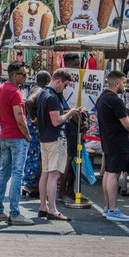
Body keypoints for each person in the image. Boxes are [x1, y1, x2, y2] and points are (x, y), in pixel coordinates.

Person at [0, 61, 33, 225]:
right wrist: (27, 135)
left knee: (4, 173)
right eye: (23, 74)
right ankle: (14, 213)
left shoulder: (0, 89)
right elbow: (20, 118)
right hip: (16, 136)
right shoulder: (14, 92)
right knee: (17, 174)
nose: (25, 77)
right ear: (14, 75)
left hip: (5, 135)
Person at [36, 69, 79, 221]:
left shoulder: (42, 93)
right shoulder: (53, 97)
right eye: (65, 85)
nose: (65, 88)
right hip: (55, 138)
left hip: (45, 138)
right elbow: (56, 120)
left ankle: (43, 207)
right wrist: (70, 113)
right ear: (58, 81)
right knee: (53, 175)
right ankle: (52, 210)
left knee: (46, 173)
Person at [96, 70, 129, 222]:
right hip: (117, 141)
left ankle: (108, 207)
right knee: (113, 174)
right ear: (117, 83)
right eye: (124, 83)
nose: (124, 86)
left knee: (108, 173)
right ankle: (112, 209)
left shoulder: (102, 98)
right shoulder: (115, 101)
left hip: (108, 139)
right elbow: (127, 124)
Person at [59, 52, 84, 204]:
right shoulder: (62, 83)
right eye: (75, 64)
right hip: (67, 127)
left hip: (76, 127)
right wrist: (77, 116)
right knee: (67, 160)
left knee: (75, 159)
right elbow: (66, 108)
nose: (78, 67)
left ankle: (70, 190)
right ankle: (62, 192)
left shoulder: (78, 80)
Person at [23, 71, 51, 197]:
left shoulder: (35, 88)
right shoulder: (39, 90)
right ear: (47, 79)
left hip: (33, 126)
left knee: (34, 154)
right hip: (35, 128)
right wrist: (34, 118)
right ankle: (31, 185)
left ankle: (31, 183)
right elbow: (29, 102)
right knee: (35, 154)